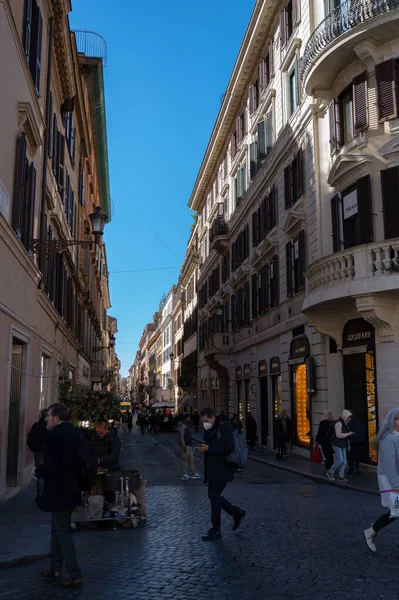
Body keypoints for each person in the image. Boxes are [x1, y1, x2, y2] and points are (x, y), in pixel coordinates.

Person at [36, 403, 83, 588]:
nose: (46, 419)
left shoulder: (54, 436)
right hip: (71, 489)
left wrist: (36, 473)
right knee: (56, 530)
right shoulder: (75, 432)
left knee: (63, 533)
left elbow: (51, 465)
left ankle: (75, 574)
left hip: (59, 491)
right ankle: (55, 567)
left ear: (56, 418)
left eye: (48, 416)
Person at [198, 407, 245, 541]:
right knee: (213, 496)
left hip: (223, 468)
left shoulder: (224, 428)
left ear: (213, 417)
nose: (204, 423)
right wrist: (206, 439)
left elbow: (228, 447)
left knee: (214, 495)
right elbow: (210, 443)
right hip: (213, 469)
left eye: (206, 420)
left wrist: (209, 449)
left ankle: (216, 528)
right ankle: (236, 512)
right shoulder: (211, 428)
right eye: (203, 421)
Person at [364, 408, 399, 552]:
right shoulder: (389, 438)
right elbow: (390, 463)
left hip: (395, 478)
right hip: (391, 480)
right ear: (394, 420)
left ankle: (371, 531)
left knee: (396, 512)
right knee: (396, 511)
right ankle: (371, 532)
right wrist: (396, 483)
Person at [325, 410, 355, 483]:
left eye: (350, 418)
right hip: (336, 443)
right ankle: (330, 472)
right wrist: (348, 434)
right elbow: (338, 435)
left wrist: (347, 444)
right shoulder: (339, 423)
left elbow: (343, 435)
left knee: (344, 461)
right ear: (345, 416)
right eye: (348, 418)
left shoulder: (344, 423)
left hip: (342, 444)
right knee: (340, 460)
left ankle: (341, 476)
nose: (349, 419)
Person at [27, 409, 48, 502]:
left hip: (38, 453)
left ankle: (40, 495)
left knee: (40, 473)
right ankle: (45, 495)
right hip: (48, 453)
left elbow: (30, 439)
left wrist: (34, 449)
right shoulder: (51, 427)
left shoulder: (36, 426)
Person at [177, 413, 202, 481]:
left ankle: (193, 473)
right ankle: (184, 474)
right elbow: (181, 437)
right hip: (185, 445)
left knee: (191, 460)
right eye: (188, 417)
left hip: (189, 445)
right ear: (185, 418)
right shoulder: (182, 426)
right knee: (184, 460)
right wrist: (183, 446)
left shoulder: (187, 425)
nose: (189, 418)